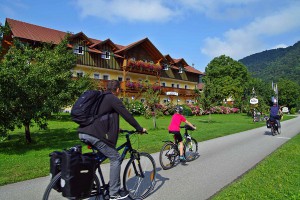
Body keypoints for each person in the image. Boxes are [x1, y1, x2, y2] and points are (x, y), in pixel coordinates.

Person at [78, 80, 147, 200]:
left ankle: (92, 184)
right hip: (94, 135)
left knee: (98, 159)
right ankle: (114, 193)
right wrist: (139, 128)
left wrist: (116, 129)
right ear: (117, 90)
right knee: (115, 157)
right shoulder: (112, 99)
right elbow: (127, 115)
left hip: (84, 132)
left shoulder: (101, 99)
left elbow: (102, 117)